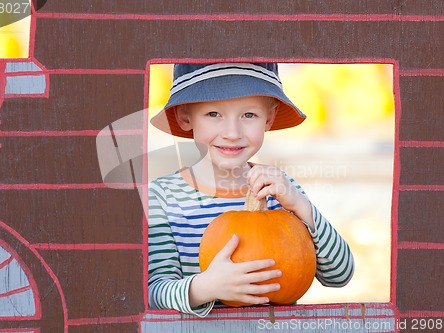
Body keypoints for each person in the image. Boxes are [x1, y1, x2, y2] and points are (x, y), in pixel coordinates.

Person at [148, 63, 354, 317]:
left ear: (269, 118)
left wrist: (301, 206)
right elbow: (155, 293)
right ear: (185, 116)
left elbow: (340, 275)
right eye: (213, 114)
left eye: (248, 115)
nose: (232, 133)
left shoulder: (280, 191)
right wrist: (206, 287)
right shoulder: (164, 197)